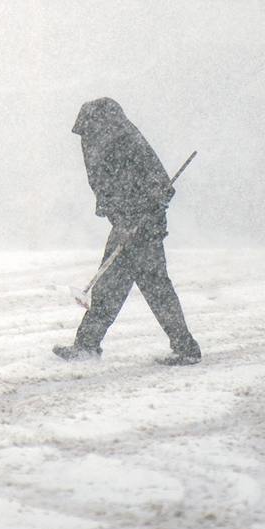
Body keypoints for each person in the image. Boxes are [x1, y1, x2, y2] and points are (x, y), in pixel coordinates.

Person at [54, 97, 201, 366]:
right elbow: (110, 191)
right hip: (126, 225)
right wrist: (120, 218)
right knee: (115, 288)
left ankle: (185, 348)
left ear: (101, 125)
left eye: (89, 131)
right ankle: (87, 345)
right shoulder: (108, 145)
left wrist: (146, 211)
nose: (86, 139)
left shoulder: (128, 144)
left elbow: (160, 186)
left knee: (153, 288)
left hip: (143, 228)